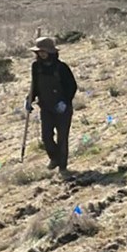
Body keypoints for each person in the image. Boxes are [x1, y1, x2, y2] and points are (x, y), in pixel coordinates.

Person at [25, 36, 77, 174]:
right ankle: (54, 158)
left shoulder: (62, 67)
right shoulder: (36, 67)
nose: (41, 54)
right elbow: (34, 85)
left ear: (51, 52)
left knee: (62, 138)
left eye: (44, 51)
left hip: (62, 109)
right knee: (46, 137)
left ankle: (63, 167)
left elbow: (72, 86)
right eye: (39, 52)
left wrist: (65, 102)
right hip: (46, 107)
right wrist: (29, 100)